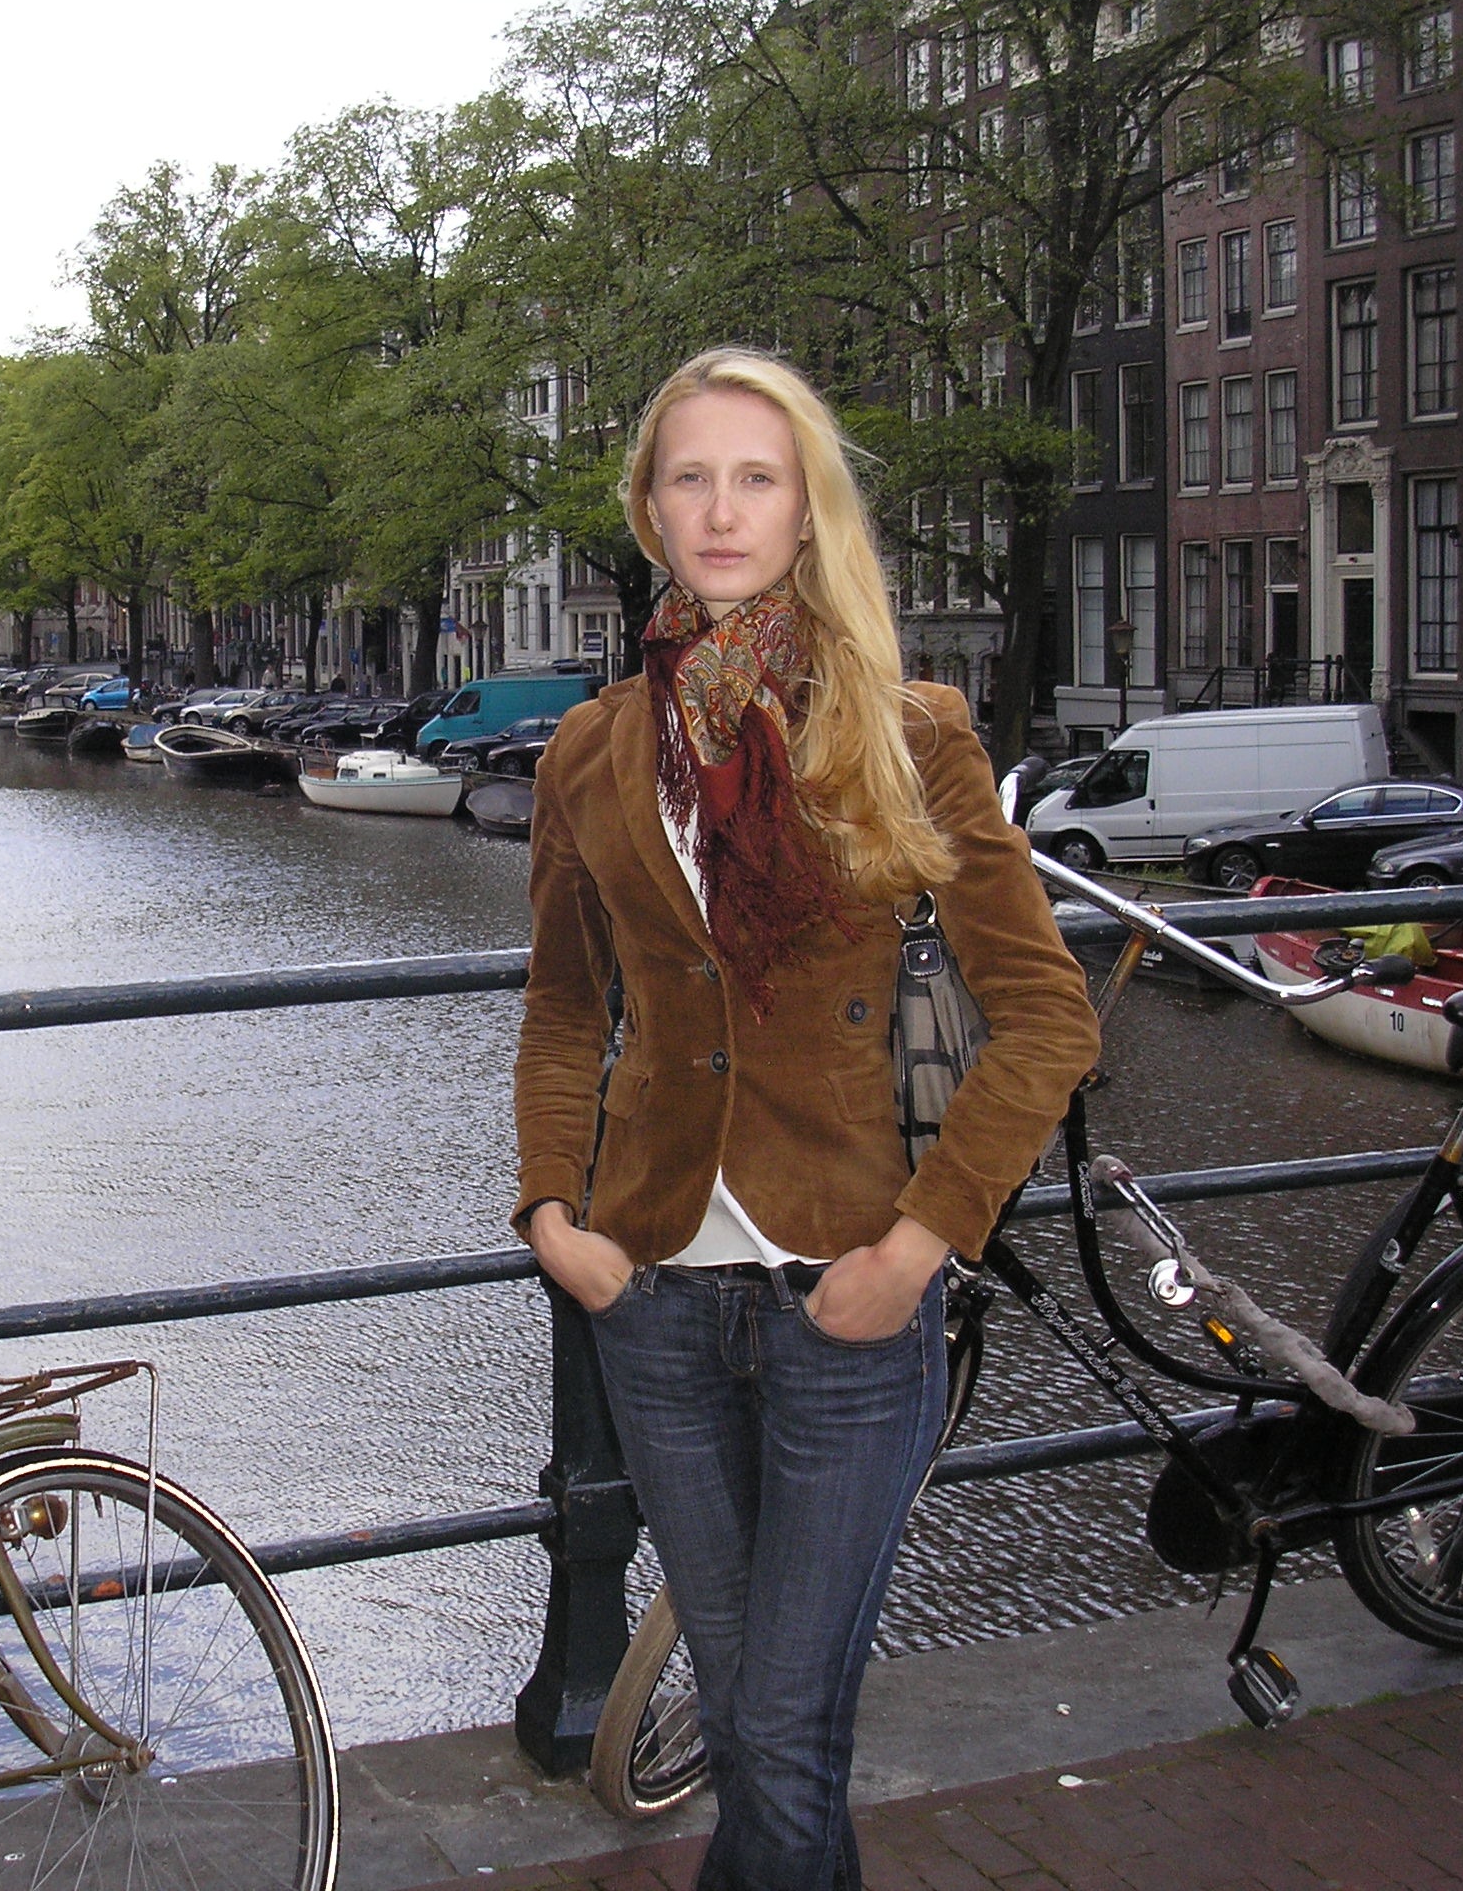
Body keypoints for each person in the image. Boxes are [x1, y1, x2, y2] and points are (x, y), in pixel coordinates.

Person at [512, 348, 1101, 1891]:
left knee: (775, 1725)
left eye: (756, 479)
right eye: (691, 478)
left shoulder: (906, 733)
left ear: (804, 510)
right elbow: (566, 1008)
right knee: (760, 1729)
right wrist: (554, 1218)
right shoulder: (592, 754)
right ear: (648, 508)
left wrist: (918, 1249)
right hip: (656, 1301)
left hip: (850, 1297)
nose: (722, 511)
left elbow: (1049, 1018)